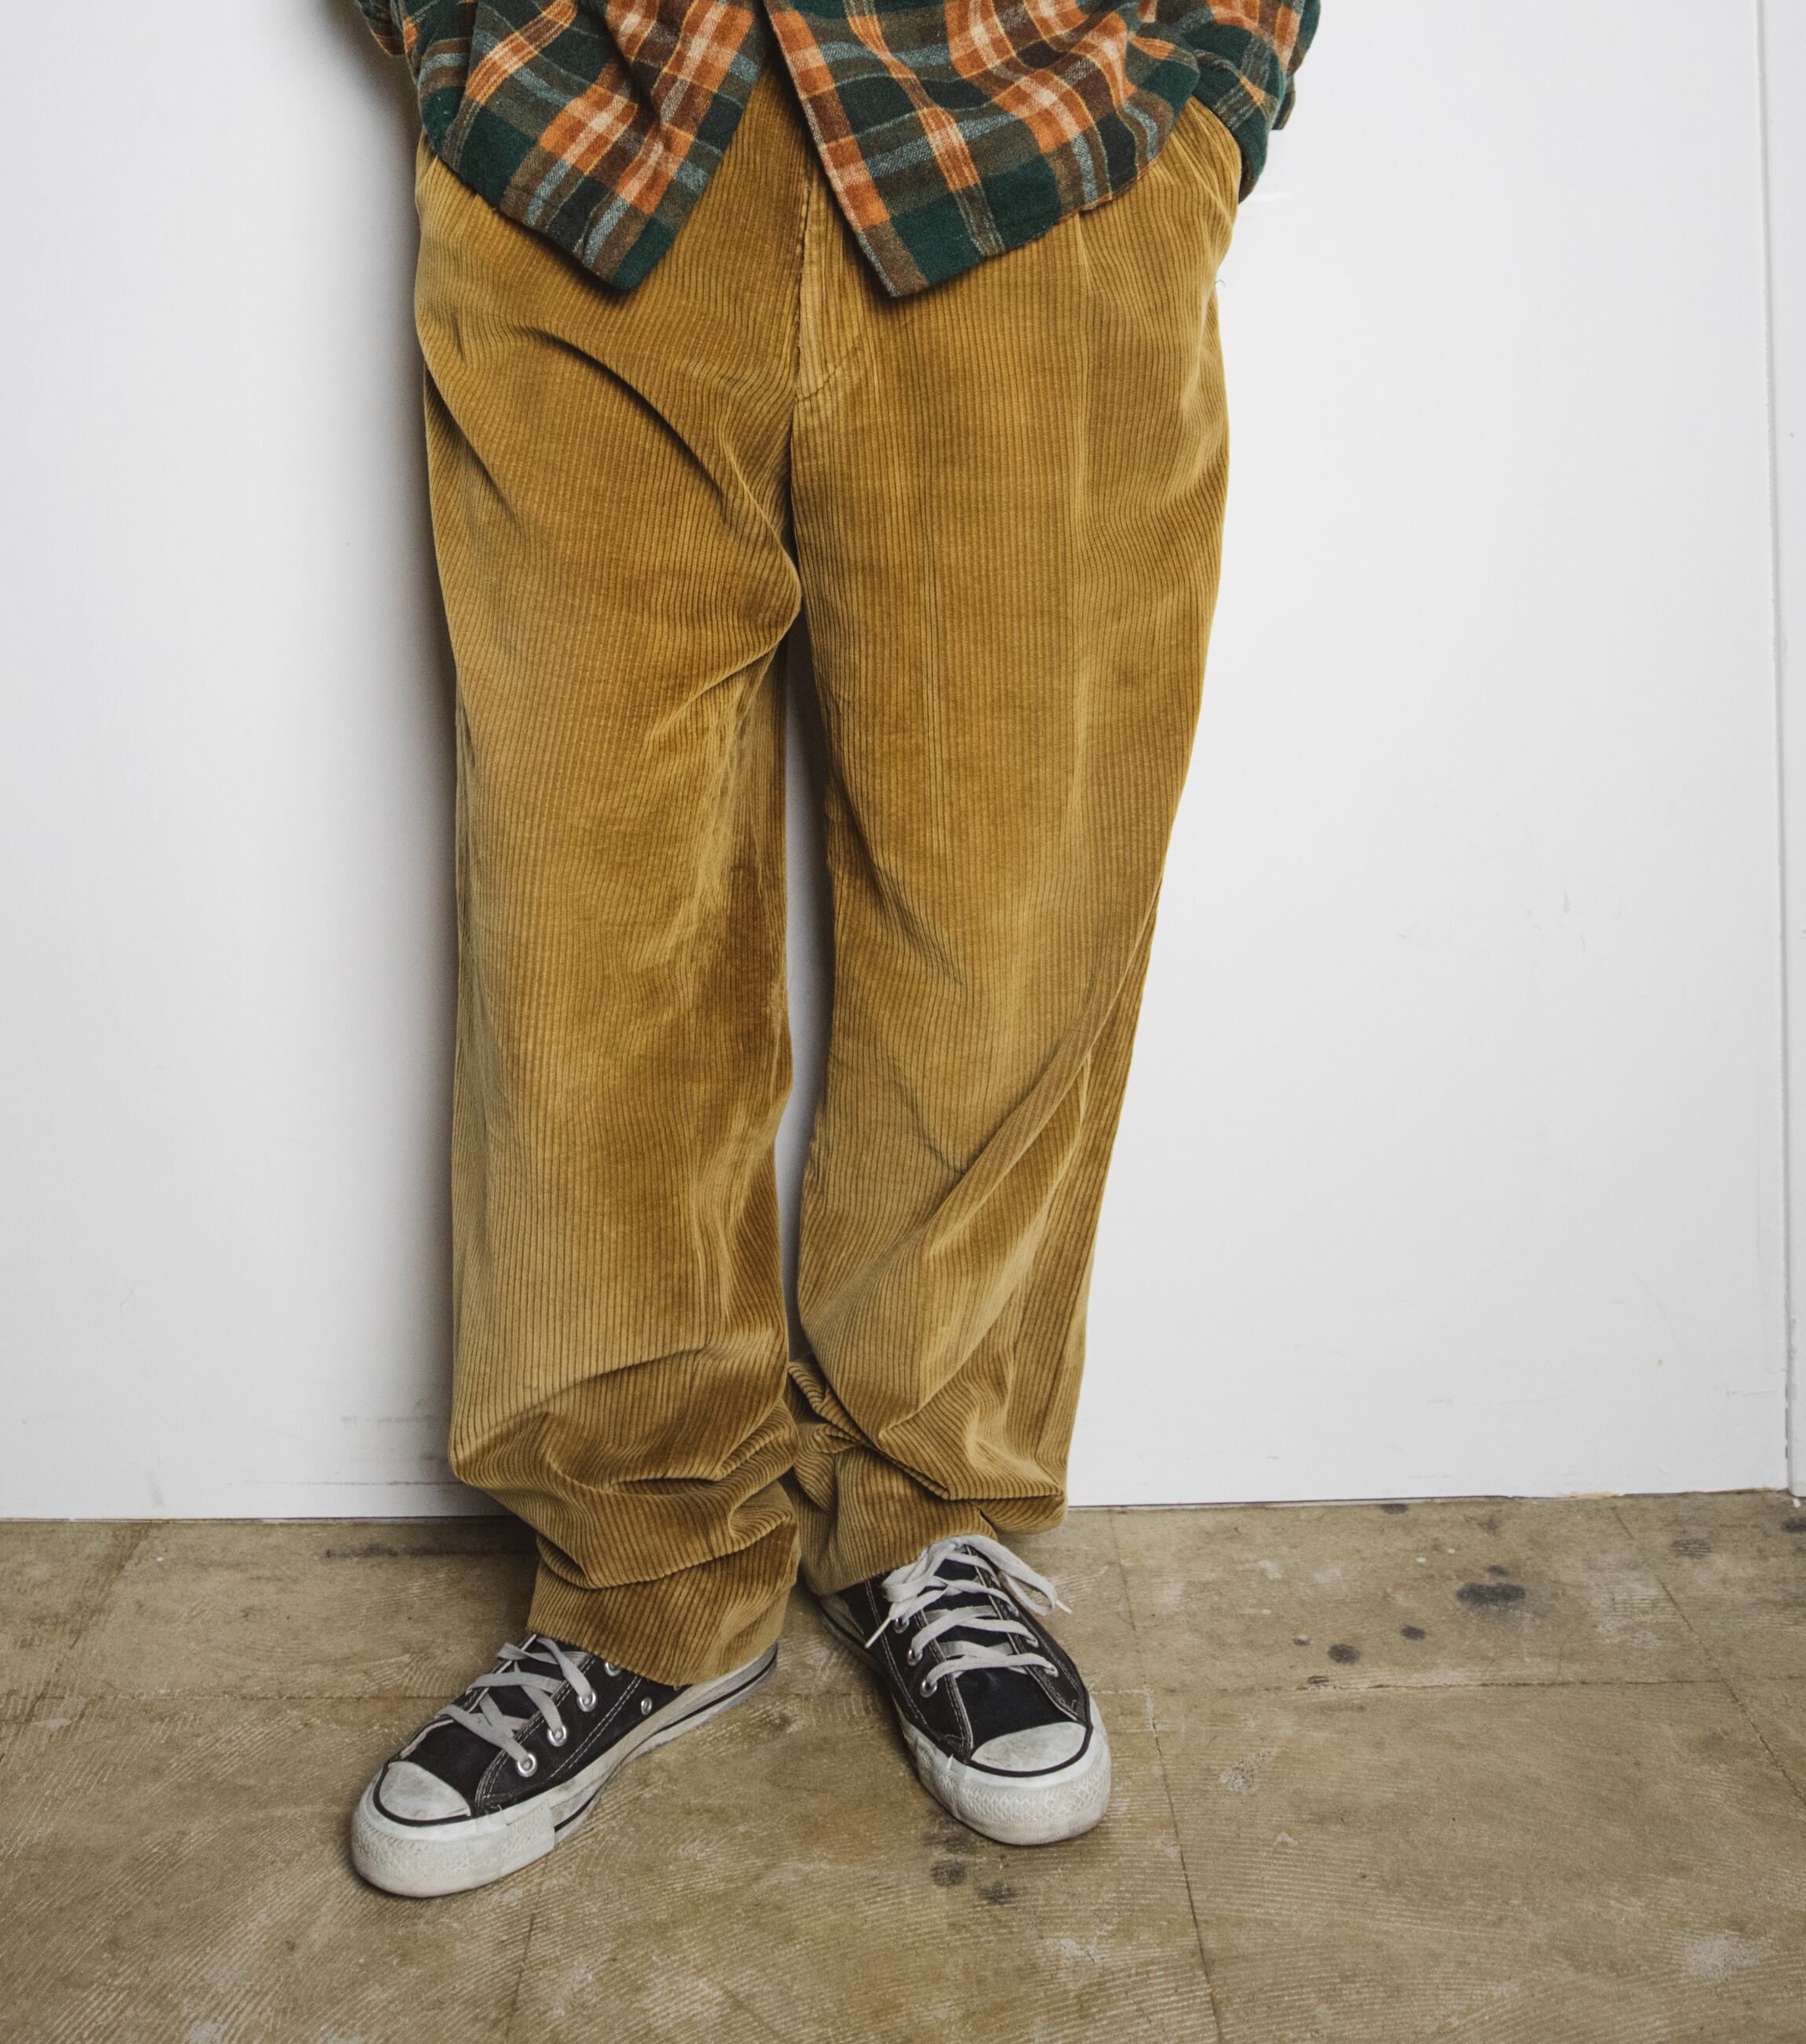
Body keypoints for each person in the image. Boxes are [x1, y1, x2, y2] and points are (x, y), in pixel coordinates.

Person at [345, 0, 1318, 1897]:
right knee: (579, 922)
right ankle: (642, 1578)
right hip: (587, 129)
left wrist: (1207, 86)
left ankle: (928, 1514)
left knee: (1011, 908)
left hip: (1027, 132)